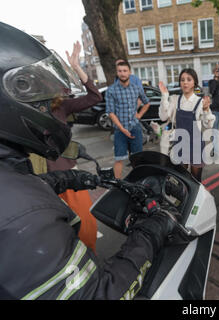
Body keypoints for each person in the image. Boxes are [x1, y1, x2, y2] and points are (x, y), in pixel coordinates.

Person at [0, 21, 176, 299]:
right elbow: (101, 294)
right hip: (115, 133)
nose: (53, 101)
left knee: (86, 227)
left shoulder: (14, 178)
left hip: (64, 172)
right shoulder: (29, 218)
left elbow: (25, 189)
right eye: (40, 98)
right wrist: (150, 231)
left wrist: (74, 178)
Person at [44, 41, 102, 252]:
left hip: (67, 175)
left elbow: (95, 97)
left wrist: (77, 67)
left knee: (86, 225)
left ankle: (92, 264)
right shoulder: (18, 108)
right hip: (40, 183)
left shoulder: (62, 106)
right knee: (55, 236)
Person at [158, 68, 213, 181]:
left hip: (196, 146)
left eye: (189, 79)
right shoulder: (174, 100)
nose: (185, 82)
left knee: (195, 179)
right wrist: (164, 96)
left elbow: (208, 125)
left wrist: (206, 110)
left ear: (194, 83)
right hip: (180, 144)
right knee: (181, 179)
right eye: (182, 80)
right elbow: (163, 117)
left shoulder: (200, 102)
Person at [106, 60, 150, 179]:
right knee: (118, 159)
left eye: (125, 71)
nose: (122, 73)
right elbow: (110, 112)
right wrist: (122, 128)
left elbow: (146, 103)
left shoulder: (136, 88)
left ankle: (140, 181)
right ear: (117, 73)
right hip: (120, 131)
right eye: (120, 71)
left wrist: (139, 115)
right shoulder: (111, 90)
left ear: (130, 72)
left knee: (137, 158)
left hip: (135, 128)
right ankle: (117, 184)